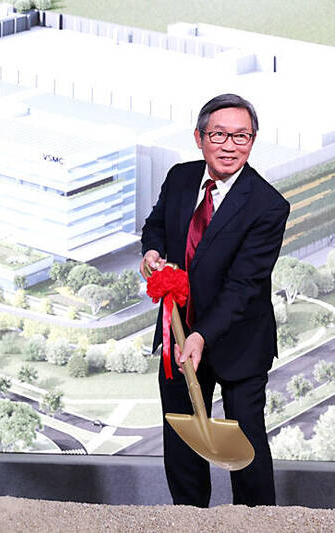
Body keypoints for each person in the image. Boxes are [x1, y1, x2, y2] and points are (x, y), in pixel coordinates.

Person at [140, 93, 289, 507]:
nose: (229, 145)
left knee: (248, 448)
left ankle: (258, 523)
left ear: (253, 141)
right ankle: (190, 520)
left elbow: (244, 286)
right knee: (183, 443)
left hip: (239, 341)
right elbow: (155, 226)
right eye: (219, 134)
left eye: (241, 136)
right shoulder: (180, 178)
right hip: (177, 333)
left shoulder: (268, 205)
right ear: (199, 137)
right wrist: (151, 252)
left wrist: (202, 335)